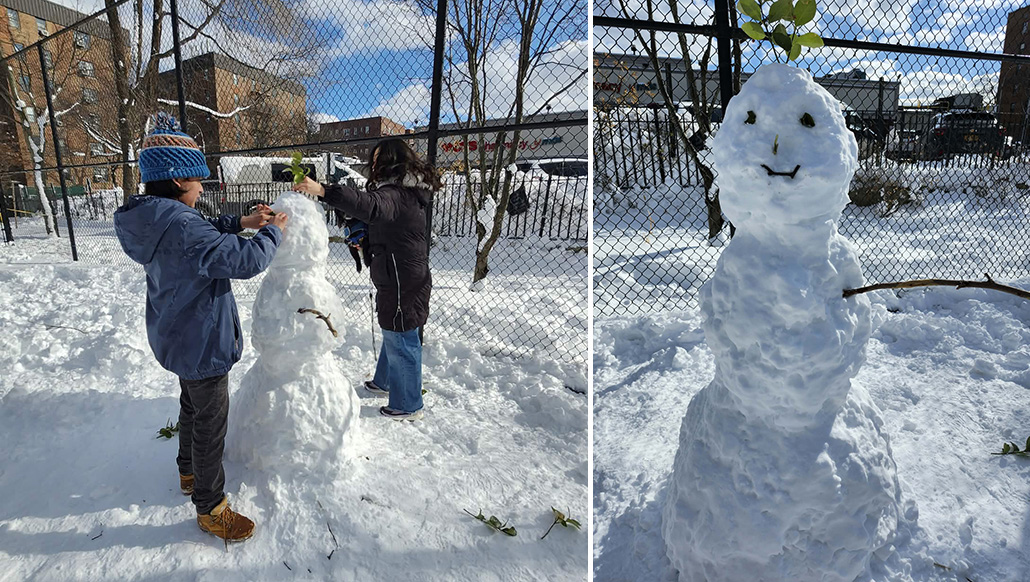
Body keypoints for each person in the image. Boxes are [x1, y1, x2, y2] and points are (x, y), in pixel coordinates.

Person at [113, 113, 288, 542]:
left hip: (177, 334)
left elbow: (201, 233)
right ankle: (211, 507)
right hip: (203, 339)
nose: (202, 189)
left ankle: (188, 471)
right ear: (177, 182)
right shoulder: (183, 225)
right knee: (211, 422)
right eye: (197, 181)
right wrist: (273, 235)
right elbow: (244, 261)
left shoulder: (154, 218)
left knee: (192, 406)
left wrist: (242, 223)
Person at [293, 138, 438, 421]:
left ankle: (409, 404)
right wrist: (366, 239)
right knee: (395, 328)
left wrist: (322, 190)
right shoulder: (403, 192)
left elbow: (371, 206)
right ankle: (384, 382)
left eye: (378, 159)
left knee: (402, 336)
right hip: (400, 274)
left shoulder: (397, 193)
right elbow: (383, 222)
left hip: (401, 278)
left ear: (392, 161)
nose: (373, 164)